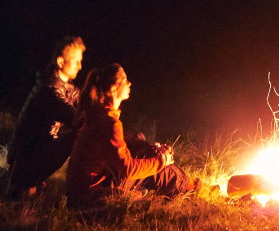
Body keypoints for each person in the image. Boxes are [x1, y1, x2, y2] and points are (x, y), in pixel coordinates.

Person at [65, 62, 201, 209]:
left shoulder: (97, 113)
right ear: (114, 89)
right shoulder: (108, 122)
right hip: (92, 196)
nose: (129, 83)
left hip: (83, 191)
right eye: (124, 80)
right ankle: (191, 188)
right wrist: (161, 160)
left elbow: (114, 150)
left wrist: (152, 149)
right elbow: (128, 169)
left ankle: (185, 184)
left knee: (141, 142)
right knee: (153, 161)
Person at [3, 35, 86, 199]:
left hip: (36, 152)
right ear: (61, 62)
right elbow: (76, 118)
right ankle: (26, 184)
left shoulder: (62, 85)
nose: (80, 66)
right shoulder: (48, 91)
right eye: (76, 61)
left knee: (81, 132)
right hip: (26, 159)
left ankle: (31, 183)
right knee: (79, 134)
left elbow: (81, 99)